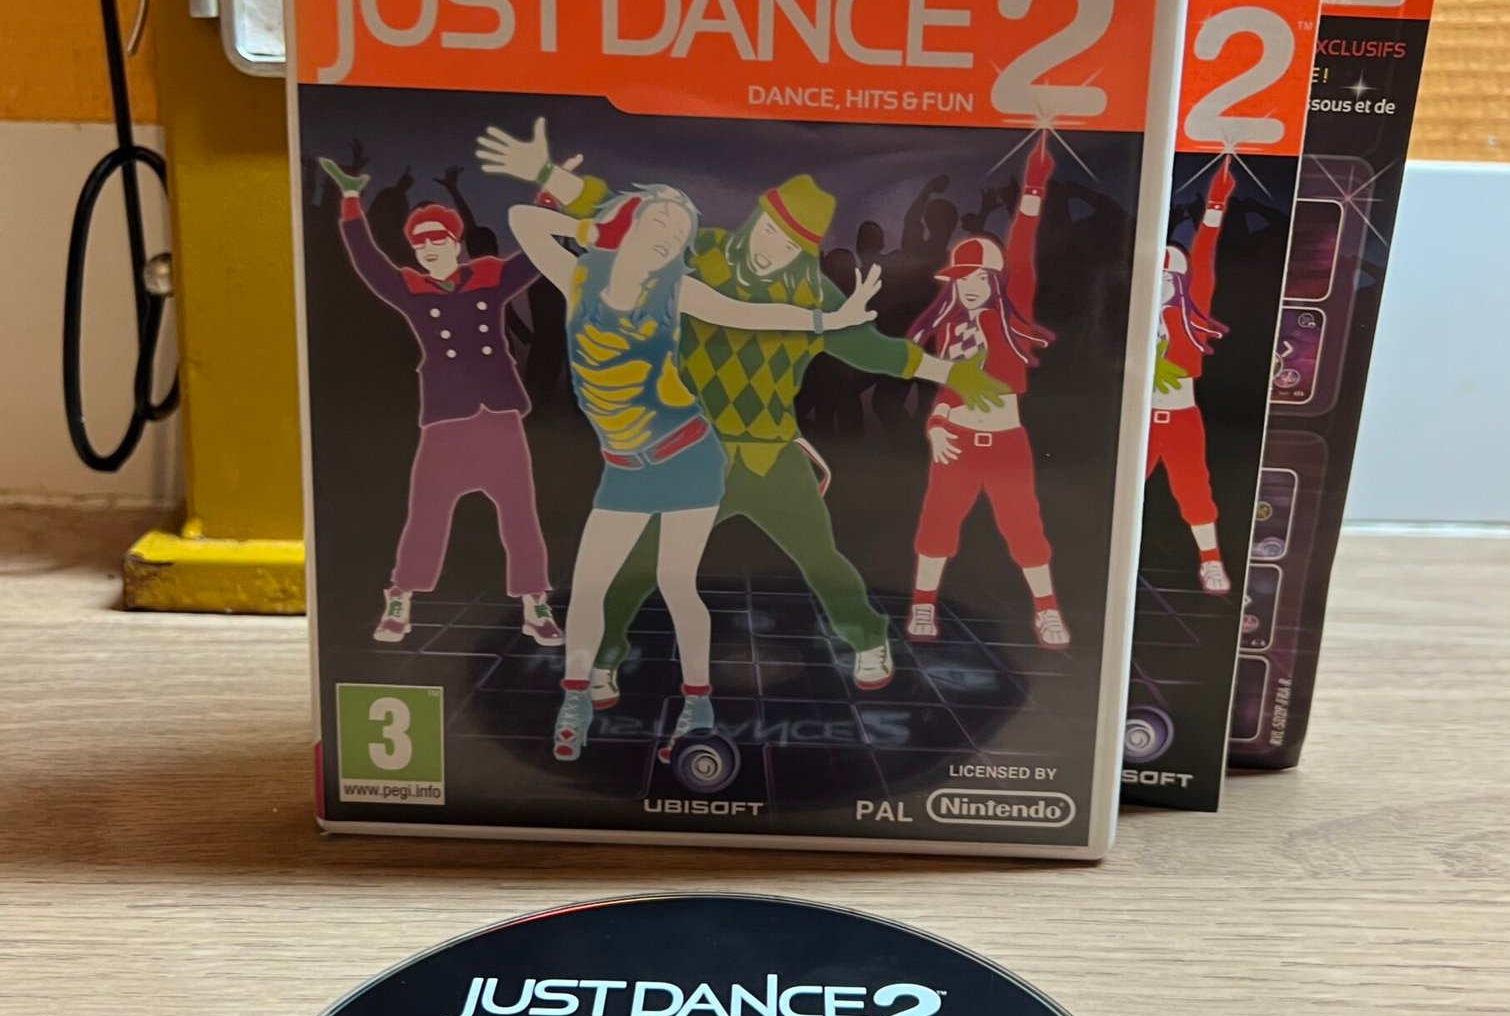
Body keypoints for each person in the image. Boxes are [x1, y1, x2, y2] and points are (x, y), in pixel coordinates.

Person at [479, 132, 1009, 699]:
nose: (771, 249)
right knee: (642, 561)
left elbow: (871, 350)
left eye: (789, 244)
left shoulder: (815, 294)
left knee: (819, 556)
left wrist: (951, 373)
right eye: (770, 230)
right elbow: (630, 217)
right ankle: (605, 654)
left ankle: (866, 637)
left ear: (805, 251)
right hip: (691, 448)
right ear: (757, 218)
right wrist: (551, 178)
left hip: (770, 454)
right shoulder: (702, 254)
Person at [483, 120, 881, 763]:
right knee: (589, 587)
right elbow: (524, 222)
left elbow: (746, 314)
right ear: (631, 222)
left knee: (674, 581)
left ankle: (698, 703)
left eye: (678, 234)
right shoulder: (580, 275)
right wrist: (595, 225)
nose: (669, 238)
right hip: (623, 464)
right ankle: (575, 696)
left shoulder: (677, 290)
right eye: (659, 224)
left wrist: (829, 318)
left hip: (688, 453)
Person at [319, 159, 561, 649]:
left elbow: (535, 256)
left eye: (437, 239)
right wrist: (350, 202)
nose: (429, 248)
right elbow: (368, 263)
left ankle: (535, 604)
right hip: (447, 417)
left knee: (520, 511)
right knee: (427, 512)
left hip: (498, 414)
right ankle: (400, 598)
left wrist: (547, 197)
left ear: (455, 242)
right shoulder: (411, 290)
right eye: (420, 243)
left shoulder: (488, 279)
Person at [905, 135, 1068, 649]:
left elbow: (1022, 249)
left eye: (979, 275)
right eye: (961, 277)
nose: (970, 284)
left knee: (1024, 528)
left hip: (1004, 442)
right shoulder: (950, 328)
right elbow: (952, 389)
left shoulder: (1010, 315)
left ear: (996, 279)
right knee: (937, 523)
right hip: (955, 441)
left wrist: (1034, 188)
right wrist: (936, 425)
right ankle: (923, 605)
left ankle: (1046, 610)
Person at [1148, 160, 1233, 593]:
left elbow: (1203, 255)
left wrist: (1215, 205)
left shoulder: (1191, 316)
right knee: (1118, 485)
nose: (1162, 283)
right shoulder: (1133, 320)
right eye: (1155, 276)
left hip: (1181, 416)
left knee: (1193, 489)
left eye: (1169, 276)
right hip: (1141, 418)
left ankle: (1210, 559)